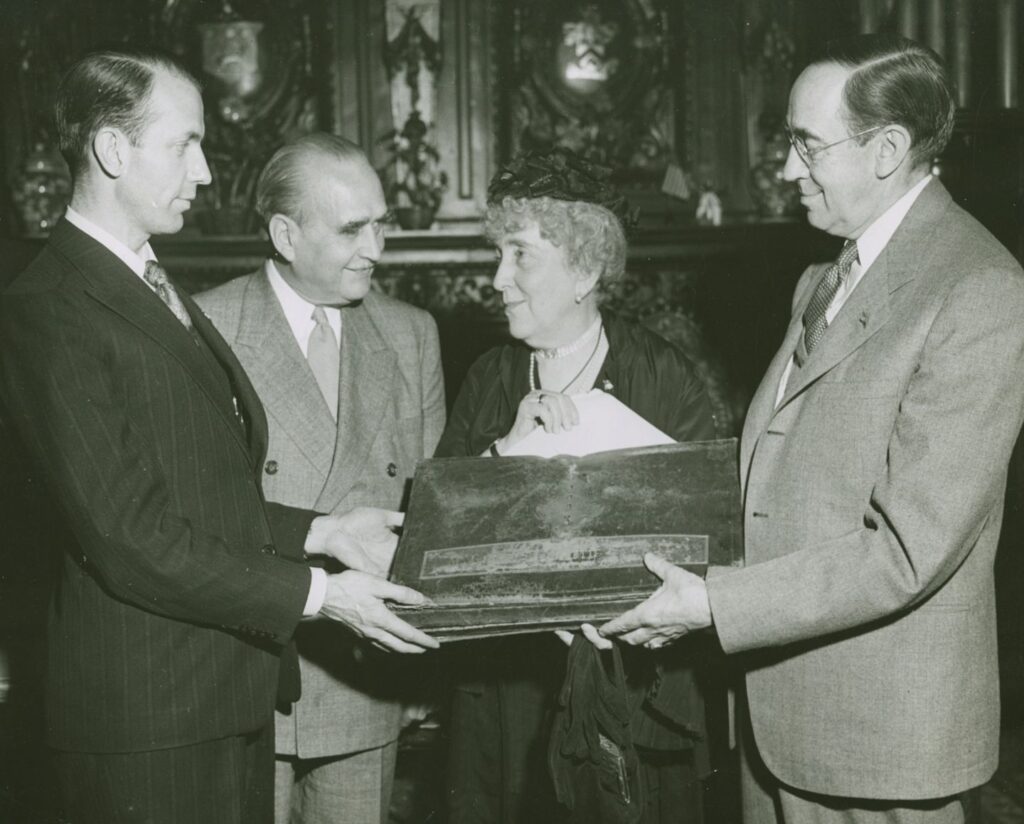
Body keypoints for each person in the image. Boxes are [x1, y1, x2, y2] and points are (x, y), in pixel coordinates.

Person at [0, 47, 438, 824]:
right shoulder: (52, 307)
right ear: (111, 149)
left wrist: (324, 530)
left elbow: (200, 499)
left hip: (216, 701)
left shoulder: (142, 281)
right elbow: (133, 538)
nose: (204, 172)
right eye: (184, 145)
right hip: (149, 723)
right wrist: (324, 595)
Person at [599, 34, 1024, 823]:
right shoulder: (822, 276)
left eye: (808, 145)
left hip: (883, 739)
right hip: (778, 717)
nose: (788, 169)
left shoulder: (980, 290)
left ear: (889, 148)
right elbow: (780, 479)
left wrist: (713, 604)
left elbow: (906, 550)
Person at [436, 147, 718, 824]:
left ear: (586, 268)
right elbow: (434, 545)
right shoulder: (488, 378)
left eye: (521, 256)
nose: (498, 278)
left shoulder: (665, 376)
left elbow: (708, 542)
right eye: (498, 254)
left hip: (634, 689)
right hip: (508, 695)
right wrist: (503, 447)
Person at [195, 133, 446, 824]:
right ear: (285, 234)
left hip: (366, 679)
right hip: (244, 669)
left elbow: (426, 515)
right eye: (350, 229)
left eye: (381, 223)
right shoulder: (205, 327)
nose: (377, 248)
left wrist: (425, 667)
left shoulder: (411, 334)